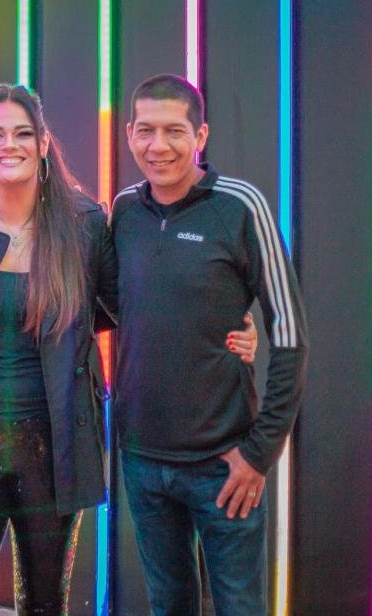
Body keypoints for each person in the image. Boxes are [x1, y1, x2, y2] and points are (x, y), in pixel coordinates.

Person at [0, 84, 257, 615]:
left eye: (23, 133)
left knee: (45, 602)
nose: (9, 145)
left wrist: (224, 324)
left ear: (43, 143)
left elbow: (133, 301)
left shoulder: (83, 223)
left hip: (56, 438)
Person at [111, 74, 309, 616]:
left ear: (200, 136)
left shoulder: (240, 205)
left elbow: (290, 336)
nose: (158, 146)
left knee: (239, 606)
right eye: (146, 130)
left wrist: (258, 455)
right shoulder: (124, 211)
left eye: (174, 131)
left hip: (224, 465)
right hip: (143, 461)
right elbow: (113, 304)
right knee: (168, 604)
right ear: (129, 134)